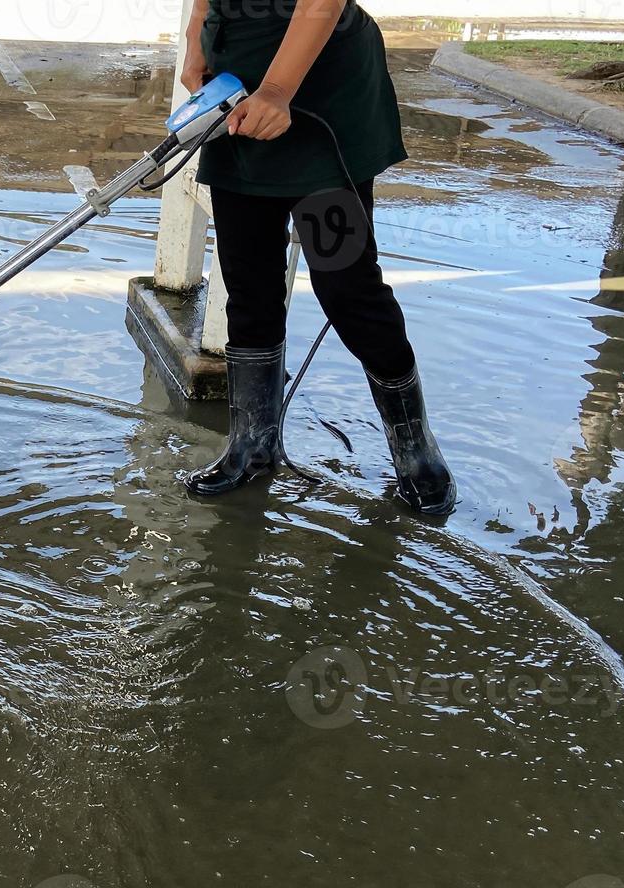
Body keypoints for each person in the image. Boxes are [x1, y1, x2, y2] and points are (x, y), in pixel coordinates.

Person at [179, 0, 456, 515]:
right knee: (248, 282)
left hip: (320, 108)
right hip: (236, 97)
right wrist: (198, 33)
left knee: (347, 287)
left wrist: (278, 91)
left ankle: (414, 447)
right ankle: (252, 445)